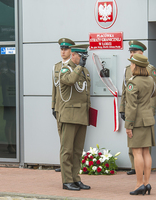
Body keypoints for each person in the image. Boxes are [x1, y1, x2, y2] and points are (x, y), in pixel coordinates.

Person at [119, 40, 156, 175]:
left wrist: (151, 111)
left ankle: (141, 173)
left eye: (134, 52)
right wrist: (122, 109)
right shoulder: (127, 69)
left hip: (143, 112)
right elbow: (124, 91)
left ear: (141, 53)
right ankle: (134, 166)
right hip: (131, 109)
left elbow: (153, 93)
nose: (132, 54)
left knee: (142, 146)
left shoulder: (149, 69)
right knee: (133, 143)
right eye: (130, 52)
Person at [57, 44, 91, 191]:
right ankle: (67, 181)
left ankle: (76, 178)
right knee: (67, 150)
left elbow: (86, 93)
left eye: (85, 57)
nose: (84, 59)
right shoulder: (66, 69)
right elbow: (70, 80)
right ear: (74, 55)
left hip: (82, 115)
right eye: (81, 56)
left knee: (78, 150)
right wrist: (79, 67)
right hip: (69, 115)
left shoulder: (84, 71)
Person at [125, 54, 156, 195]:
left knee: (137, 152)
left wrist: (128, 125)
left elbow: (131, 106)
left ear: (136, 66)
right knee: (146, 152)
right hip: (148, 118)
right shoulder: (150, 80)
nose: (130, 66)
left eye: (132, 64)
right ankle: (147, 183)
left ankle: (139, 184)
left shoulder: (133, 82)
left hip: (137, 121)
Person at [52, 38, 75, 172]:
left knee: (71, 141)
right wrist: (53, 106)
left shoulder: (74, 66)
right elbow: (54, 88)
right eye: (61, 49)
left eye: (66, 49)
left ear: (71, 51)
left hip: (71, 108)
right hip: (59, 107)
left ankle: (70, 165)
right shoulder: (56, 67)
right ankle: (64, 165)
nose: (63, 51)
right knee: (62, 137)